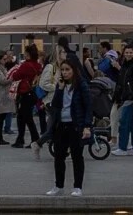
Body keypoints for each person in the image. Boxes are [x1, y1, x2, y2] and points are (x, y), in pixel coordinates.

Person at [45, 60, 91, 196]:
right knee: (59, 156)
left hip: (76, 125)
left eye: (67, 70)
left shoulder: (81, 85)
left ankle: (78, 187)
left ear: (74, 70)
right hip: (61, 124)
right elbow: (55, 105)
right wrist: (59, 89)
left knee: (77, 156)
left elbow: (88, 106)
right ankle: (59, 185)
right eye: (63, 70)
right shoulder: (61, 85)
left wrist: (87, 126)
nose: (65, 73)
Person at [10, 45, 43, 149]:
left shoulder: (25, 65)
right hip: (33, 93)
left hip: (25, 93)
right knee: (24, 116)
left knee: (25, 117)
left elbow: (16, 76)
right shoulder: (38, 65)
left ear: (28, 54)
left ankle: (33, 139)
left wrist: (16, 70)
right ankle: (24, 139)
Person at [114, 44, 133, 156]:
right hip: (127, 96)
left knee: (124, 122)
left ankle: (122, 147)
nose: (128, 54)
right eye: (126, 52)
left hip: (130, 97)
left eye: (130, 52)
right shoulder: (126, 65)